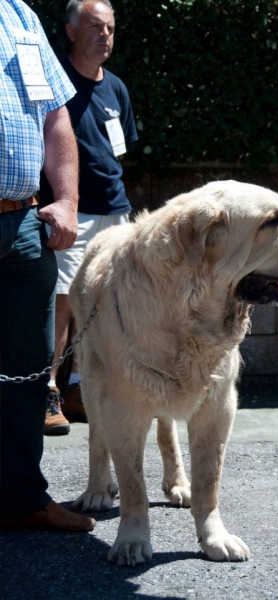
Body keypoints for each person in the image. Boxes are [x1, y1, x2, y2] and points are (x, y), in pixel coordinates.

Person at [0, 0, 95, 531]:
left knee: (28, 372)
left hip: (24, 226)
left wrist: (66, 200)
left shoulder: (20, 15)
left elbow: (55, 115)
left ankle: (22, 498)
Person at [40, 0, 138, 435]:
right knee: (62, 302)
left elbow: (120, 151)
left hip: (115, 216)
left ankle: (82, 388)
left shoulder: (116, 87)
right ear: (71, 31)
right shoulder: (53, 82)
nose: (105, 36)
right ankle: (48, 390)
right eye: (96, 27)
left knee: (106, 304)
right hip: (71, 215)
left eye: (111, 29)